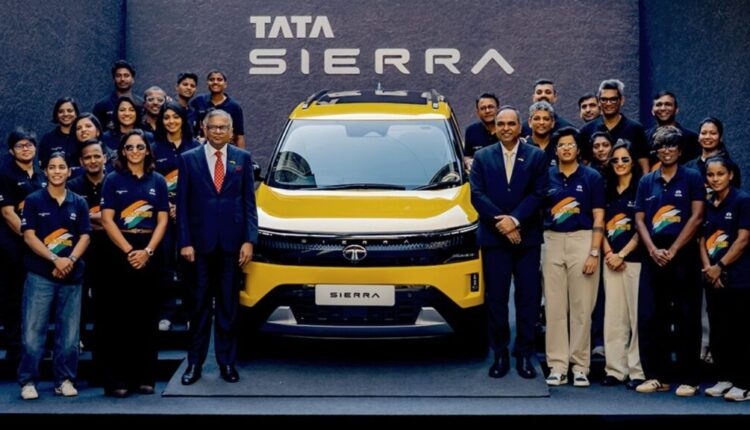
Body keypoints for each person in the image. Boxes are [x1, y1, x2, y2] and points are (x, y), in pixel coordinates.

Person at [177, 109, 258, 385]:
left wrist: (249, 240)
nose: (218, 132)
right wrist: (185, 242)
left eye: (224, 127)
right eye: (214, 127)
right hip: (199, 246)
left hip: (232, 246)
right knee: (198, 307)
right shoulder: (189, 159)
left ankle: (226, 363)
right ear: (204, 128)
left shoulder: (242, 158)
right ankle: (194, 364)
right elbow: (182, 205)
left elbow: (249, 203)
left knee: (228, 307)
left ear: (231, 130)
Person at [469, 106, 547, 380]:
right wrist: (502, 224)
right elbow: (476, 195)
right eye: (500, 124)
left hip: (527, 239)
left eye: (510, 123)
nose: (505, 128)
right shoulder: (482, 156)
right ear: (495, 127)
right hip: (494, 239)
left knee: (527, 298)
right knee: (496, 299)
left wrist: (514, 220)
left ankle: (524, 353)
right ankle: (500, 353)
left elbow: (539, 193)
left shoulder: (536, 156)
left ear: (519, 126)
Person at [634, 126, 704, 396]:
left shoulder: (692, 177)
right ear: (656, 150)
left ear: (680, 150)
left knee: (687, 316)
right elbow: (639, 218)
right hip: (653, 257)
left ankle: (690, 378)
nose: (666, 150)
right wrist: (652, 249)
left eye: (671, 145)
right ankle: (657, 376)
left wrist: (673, 249)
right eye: (662, 146)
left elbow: (697, 217)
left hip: (683, 256)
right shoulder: (646, 181)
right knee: (652, 316)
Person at [100, 129, 169, 397]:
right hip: (121, 251)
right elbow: (107, 220)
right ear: (123, 151)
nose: (135, 151)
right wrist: (130, 250)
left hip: (150, 251)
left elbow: (163, 219)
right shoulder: (112, 179)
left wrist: (147, 251)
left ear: (148, 150)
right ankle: (119, 380)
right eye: (130, 147)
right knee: (120, 319)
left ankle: (145, 378)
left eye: (140, 147)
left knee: (147, 317)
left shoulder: (158, 181)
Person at [17, 152, 91, 400]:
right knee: (32, 333)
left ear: (69, 172)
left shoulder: (78, 202)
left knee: (69, 336)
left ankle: (65, 379)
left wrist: (70, 260)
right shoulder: (33, 200)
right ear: (45, 171)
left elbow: (85, 236)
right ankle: (28, 381)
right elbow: (29, 236)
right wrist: (54, 259)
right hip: (40, 275)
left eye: (61, 167)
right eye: (52, 167)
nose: (57, 171)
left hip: (72, 276)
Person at [542, 127, 605, 388]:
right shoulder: (546, 176)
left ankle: (580, 366)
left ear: (578, 149)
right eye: (561, 145)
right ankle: (557, 365)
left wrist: (594, 252)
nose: (566, 148)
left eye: (571, 144)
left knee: (582, 308)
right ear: (555, 150)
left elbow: (599, 216)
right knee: (555, 308)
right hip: (552, 241)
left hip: (583, 239)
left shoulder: (591, 177)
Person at [699, 157, 750, 402]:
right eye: (711, 175)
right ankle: (725, 378)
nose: (715, 179)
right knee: (719, 331)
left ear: (730, 174)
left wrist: (720, 267)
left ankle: (744, 383)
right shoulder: (708, 204)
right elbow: (701, 240)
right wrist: (709, 269)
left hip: (739, 279)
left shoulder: (742, 200)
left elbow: (743, 239)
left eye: (720, 174)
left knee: (740, 331)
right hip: (713, 278)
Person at [600, 139, 645, 389]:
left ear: (633, 162)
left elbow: (643, 228)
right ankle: (615, 369)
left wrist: (623, 254)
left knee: (636, 316)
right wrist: (609, 254)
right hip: (610, 260)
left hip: (634, 261)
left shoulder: (642, 188)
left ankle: (637, 370)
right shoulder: (606, 189)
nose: (619, 164)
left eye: (625, 159)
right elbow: (599, 225)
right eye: (615, 160)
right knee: (614, 316)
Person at [0, 129, 47, 369]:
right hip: (13, 247)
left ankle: (34, 348)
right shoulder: (4, 175)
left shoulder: (40, 176)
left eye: (29, 145)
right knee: (13, 298)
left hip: (37, 247)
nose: (26, 149)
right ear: (11, 150)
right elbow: (8, 214)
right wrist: (30, 237)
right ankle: (14, 350)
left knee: (34, 299)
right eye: (20, 145)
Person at [153, 101, 201, 331]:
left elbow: (201, 183)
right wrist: (168, 206)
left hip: (191, 216)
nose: (171, 121)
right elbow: (151, 183)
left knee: (190, 265)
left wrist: (183, 207)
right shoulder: (155, 148)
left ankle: (191, 313)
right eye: (166, 117)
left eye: (175, 117)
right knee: (166, 264)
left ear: (183, 119)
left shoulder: (196, 147)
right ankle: (167, 312)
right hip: (164, 216)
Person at [67, 139, 108, 366]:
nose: (93, 161)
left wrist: (90, 219)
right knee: (77, 301)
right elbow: (72, 221)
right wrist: (100, 219)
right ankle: (77, 340)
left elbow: (117, 219)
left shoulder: (113, 182)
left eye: (96, 156)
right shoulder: (71, 186)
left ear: (104, 158)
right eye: (88, 157)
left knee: (105, 302)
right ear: (81, 162)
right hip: (80, 252)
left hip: (109, 252)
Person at [578, 79, 650, 173]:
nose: (608, 103)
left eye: (613, 99)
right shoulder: (587, 130)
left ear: (622, 100)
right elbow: (583, 165)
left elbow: (644, 165)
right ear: (599, 101)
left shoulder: (635, 129)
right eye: (604, 99)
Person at [190, 70, 246, 148]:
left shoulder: (234, 107)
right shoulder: (198, 101)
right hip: (201, 149)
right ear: (207, 83)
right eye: (212, 79)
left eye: (219, 80)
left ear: (225, 84)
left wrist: (241, 155)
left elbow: (239, 136)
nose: (215, 82)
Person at [646, 91, 700, 165]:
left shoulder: (692, 138)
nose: (663, 108)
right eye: (658, 105)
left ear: (676, 110)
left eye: (668, 104)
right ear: (652, 110)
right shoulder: (643, 138)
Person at [684, 118, 741, 187]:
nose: (707, 137)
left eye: (713, 133)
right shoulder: (689, 166)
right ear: (698, 137)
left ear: (720, 138)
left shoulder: (730, 166)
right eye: (703, 133)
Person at [92, 60, 143, 131]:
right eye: (118, 76)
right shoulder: (101, 106)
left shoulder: (141, 104)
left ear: (133, 79)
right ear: (113, 79)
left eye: (126, 75)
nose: (122, 79)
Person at [38, 97, 80, 168]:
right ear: (56, 115)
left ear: (76, 113)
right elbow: (43, 165)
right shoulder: (47, 139)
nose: (65, 114)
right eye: (61, 111)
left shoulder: (82, 136)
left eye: (70, 111)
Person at [463, 93, 499, 171]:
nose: (487, 111)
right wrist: (468, 161)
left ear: (498, 109)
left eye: (490, 107)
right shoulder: (471, 131)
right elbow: (467, 155)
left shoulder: (506, 129)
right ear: (478, 112)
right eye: (483, 108)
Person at [525, 101, 558, 168]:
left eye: (546, 119)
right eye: (537, 119)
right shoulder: (522, 147)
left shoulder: (558, 147)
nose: (541, 122)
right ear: (530, 122)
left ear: (552, 123)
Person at [174, 72, 200, 136]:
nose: (189, 88)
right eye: (185, 84)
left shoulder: (194, 112)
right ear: (177, 87)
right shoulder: (168, 108)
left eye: (192, 86)